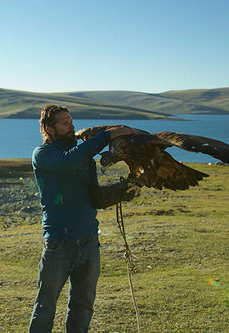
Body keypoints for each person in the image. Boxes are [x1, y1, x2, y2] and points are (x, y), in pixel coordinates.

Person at [29, 104, 140, 332]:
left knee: (83, 306)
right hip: (59, 243)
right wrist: (107, 136)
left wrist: (125, 189)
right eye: (64, 123)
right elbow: (69, 161)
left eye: (71, 121)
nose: (71, 127)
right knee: (45, 307)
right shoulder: (44, 155)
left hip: (89, 242)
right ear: (49, 129)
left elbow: (95, 198)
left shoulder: (85, 160)